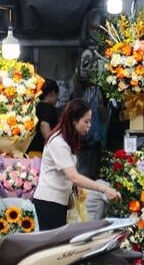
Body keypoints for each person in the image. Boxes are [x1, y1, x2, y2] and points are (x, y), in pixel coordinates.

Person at [33, 99, 121, 231]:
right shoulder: (58, 142)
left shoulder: (67, 140)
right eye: (86, 121)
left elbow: (70, 176)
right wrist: (104, 189)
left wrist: (77, 186)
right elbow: (73, 176)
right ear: (74, 121)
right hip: (49, 202)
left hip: (59, 201)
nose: (89, 125)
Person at [27, 78, 60, 157]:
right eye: (57, 96)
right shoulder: (49, 108)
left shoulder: (33, 107)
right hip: (40, 154)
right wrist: (53, 149)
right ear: (52, 92)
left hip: (28, 152)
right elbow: (44, 124)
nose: (56, 100)